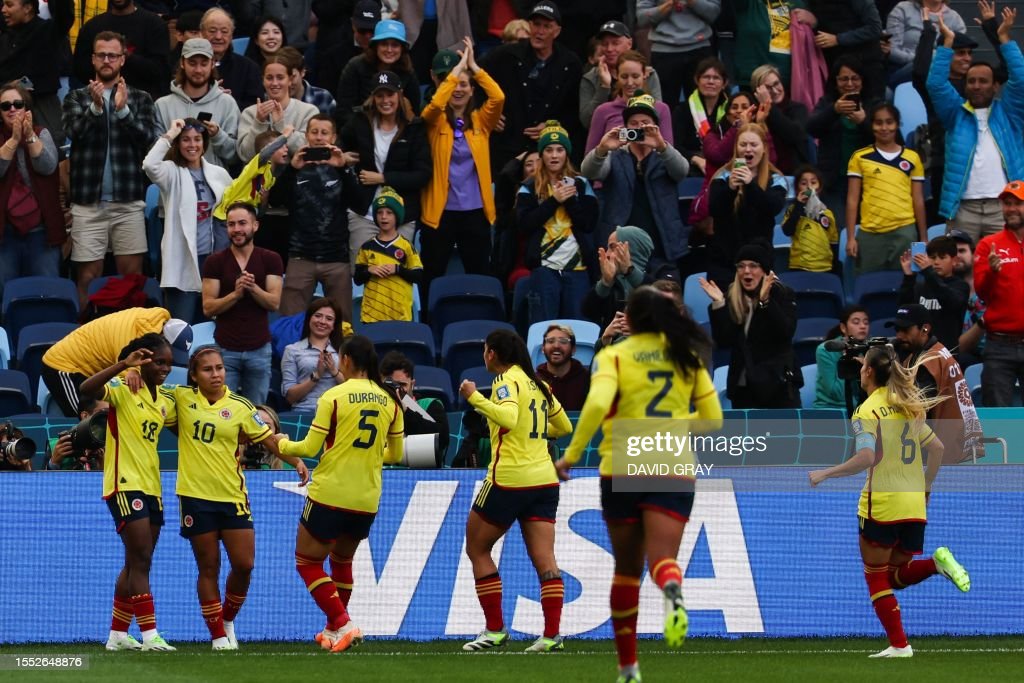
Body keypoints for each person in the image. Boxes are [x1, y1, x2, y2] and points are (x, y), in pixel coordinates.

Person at [554, 286, 723, 683]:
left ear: (633, 318)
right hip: (673, 467)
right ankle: (672, 587)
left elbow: (595, 406)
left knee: (627, 570)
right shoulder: (686, 357)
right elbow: (713, 420)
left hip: (623, 467)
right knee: (662, 560)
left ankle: (629, 668)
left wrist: (572, 456)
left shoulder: (615, 355)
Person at [809, 343, 970, 658]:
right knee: (896, 575)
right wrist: (926, 487)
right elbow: (936, 449)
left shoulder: (867, 410)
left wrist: (827, 473)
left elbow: (867, 456)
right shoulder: (907, 405)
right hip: (914, 505)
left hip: (881, 504)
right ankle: (937, 564)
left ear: (868, 371)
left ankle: (900, 645)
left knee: (876, 577)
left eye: (863, 366)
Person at [166, 344, 306, 650]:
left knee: (244, 565)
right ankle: (217, 636)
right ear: (194, 375)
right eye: (207, 369)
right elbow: (150, 394)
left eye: (219, 368)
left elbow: (267, 438)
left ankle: (227, 620)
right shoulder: (180, 397)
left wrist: (295, 460)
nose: (216, 374)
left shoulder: (241, 406)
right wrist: (134, 373)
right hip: (194, 496)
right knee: (208, 568)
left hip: (233, 496)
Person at [277, 335, 402, 653]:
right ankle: (334, 630)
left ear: (345, 360)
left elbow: (308, 448)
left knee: (307, 563)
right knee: (342, 560)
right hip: (366, 497)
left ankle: (343, 622)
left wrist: (281, 443)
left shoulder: (334, 396)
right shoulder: (390, 399)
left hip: (331, 493)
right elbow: (395, 454)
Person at [458, 328, 572, 653]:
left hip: (508, 480)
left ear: (492, 354)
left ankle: (495, 630)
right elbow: (564, 427)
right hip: (544, 480)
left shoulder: (505, 381)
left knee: (477, 549)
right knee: (545, 559)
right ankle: (551, 636)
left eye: (485, 349)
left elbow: (508, 415)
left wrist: (474, 397)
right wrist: (534, 433)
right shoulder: (540, 385)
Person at [78, 334, 176, 652]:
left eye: (168, 364)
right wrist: (123, 366)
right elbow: (86, 389)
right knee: (141, 558)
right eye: (159, 362)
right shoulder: (122, 389)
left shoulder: (165, 400)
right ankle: (150, 635)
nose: (164, 368)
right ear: (143, 359)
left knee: (136, 561)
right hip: (124, 484)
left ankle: (118, 635)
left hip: (152, 487)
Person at [62, 30, 159, 310]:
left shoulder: (139, 99)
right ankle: (86, 336)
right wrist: (94, 109)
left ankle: (132, 337)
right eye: (101, 55)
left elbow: (148, 141)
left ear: (122, 59)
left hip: (127, 201)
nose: (107, 60)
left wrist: (123, 112)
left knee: (133, 278)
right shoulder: (75, 97)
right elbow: (72, 133)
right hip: (87, 203)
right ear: (93, 60)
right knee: (87, 278)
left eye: (112, 55)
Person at [419, 38, 504, 305]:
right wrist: (455, 74)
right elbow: (435, 105)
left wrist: (473, 67)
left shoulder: (481, 121)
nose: (458, 89)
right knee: (433, 273)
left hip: (475, 212)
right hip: (440, 212)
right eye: (454, 85)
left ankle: (482, 322)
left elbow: (498, 96)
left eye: (463, 85)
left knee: (479, 273)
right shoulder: (433, 122)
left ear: (471, 90)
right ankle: (430, 326)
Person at [927, 9, 1024, 242]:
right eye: (971, 81)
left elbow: (1020, 79)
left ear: (995, 87)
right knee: (959, 270)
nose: (977, 86)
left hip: (1004, 207)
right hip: (963, 209)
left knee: (1007, 269)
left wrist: (1004, 39)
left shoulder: (1010, 113)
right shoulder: (954, 113)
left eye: (983, 81)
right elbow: (935, 84)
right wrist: (947, 44)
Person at [581, 92, 690, 282]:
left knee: (665, 302)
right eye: (633, 123)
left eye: (645, 122)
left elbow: (681, 171)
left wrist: (662, 146)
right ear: (625, 127)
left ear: (655, 126)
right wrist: (602, 149)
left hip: (662, 246)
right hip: (620, 247)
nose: (639, 127)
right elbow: (590, 172)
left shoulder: (665, 154)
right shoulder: (615, 155)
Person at [144, 118, 234, 324]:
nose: (192, 145)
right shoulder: (171, 171)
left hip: (213, 259)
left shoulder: (218, 173)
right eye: (185, 140)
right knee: (182, 327)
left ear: (204, 142)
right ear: (178, 143)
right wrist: (170, 134)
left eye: (197, 139)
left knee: (210, 325)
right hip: (182, 260)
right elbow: (149, 164)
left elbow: (234, 208)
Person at [479, 2, 583, 174]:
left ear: (556, 31)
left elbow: (576, 111)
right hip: (507, 146)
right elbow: (474, 78)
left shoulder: (570, 63)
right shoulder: (506, 55)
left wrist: (553, 125)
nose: (539, 31)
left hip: (548, 150)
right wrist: (484, 111)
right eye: (536, 24)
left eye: (546, 26)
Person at [340, 69, 430, 264]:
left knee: (397, 275)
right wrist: (343, 157)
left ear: (399, 95)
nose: (385, 100)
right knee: (361, 272)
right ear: (373, 97)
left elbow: (422, 174)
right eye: (379, 95)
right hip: (364, 211)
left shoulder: (414, 127)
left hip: (402, 213)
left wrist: (383, 178)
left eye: (390, 94)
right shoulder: (360, 121)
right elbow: (339, 144)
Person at [516, 120, 598, 326]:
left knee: (579, 329)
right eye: (549, 150)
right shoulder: (528, 187)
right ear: (541, 154)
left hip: (578, 270)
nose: (554, 155)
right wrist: (554, 201)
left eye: (560, 150)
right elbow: (524, 225)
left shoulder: (582, 184)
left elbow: (588, 224)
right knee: (543, 329)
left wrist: (570, 201)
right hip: (544, 271)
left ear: (566, 153)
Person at [701, 242, 802, 408]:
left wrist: (765, 302)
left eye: (753, 266)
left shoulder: (782, 294)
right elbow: (724, 341)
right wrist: (719, 304)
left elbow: (785, 332)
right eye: (741, 266)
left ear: (764, 270)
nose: (746, 271)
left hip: (778, 385)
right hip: (744, 387)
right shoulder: (731, 298)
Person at [201, 202, 284, 404]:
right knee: (222, 410)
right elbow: (208, 308)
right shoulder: (215, 261)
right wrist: (235, 294)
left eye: (242, 223)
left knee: (256, 413)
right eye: (231, 224)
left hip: (259, 349)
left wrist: (253, 288)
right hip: (225, 349)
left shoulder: (271, 259)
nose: (236, 229)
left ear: (255, 225)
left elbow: (274, 303)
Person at [41, 308, 192, 418]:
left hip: (91, 370)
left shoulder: (157, 325)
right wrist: (133, 371)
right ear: (163, 337)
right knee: (85, 421)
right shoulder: (131, 333)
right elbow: (124, 367)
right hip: (63, 366)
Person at [278, 115, 358, 318]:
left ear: (333, 137)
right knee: (289, 322)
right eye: (314, 132)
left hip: (336, 258)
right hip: (300, 256)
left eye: (324, 133)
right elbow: (277, 199)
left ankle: (339, 352)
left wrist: (343, 169)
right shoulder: (296, 166)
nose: (319, 138)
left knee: (342, 323)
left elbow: (360, 203)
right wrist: (291, 169)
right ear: (306, 136)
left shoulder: (341, 168)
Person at [888, 303, 983, 463]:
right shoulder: (934, 352)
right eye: (897, 330)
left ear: (925, 328)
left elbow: (917, 408)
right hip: (957, 442)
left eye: (905, 330)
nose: (899, 335)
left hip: (942, 448)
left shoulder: (929, 362)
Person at [846, 103, 927, 274]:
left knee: (905, 286)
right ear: (872, 125)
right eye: (878, 122)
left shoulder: (912, 158)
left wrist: (923, 239)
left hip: (905, 231)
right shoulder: (859, 157)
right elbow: (852, 200)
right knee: (869, 288)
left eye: (889, 122)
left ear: (897, 125)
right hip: (870, 234)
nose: (884, 128)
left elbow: (918, 200)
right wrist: (851, 238)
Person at [0, 80, 64, 294]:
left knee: (45, 292)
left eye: (18, 104)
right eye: (5, 106)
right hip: (4, 234)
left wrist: (27, 136)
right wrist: (13, 140)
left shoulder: (41, 132)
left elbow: (47, 166)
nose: (12, 109)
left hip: (41, 232)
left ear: (26, 108)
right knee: (6, 296)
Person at [706, 123, 788, 288]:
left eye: (754, 144)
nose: (748, 149)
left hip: (759, 263)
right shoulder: (722, 176)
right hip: (725, 265)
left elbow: (772, 208)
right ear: (736, 148)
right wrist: (730, 189)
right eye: (743, 145)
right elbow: (714, 209)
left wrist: (750, 185)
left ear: (764, 148)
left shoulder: (776, 179)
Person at [973, 180, 1024, 407]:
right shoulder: (988, 245)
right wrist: (993, 272)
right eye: (1007, 203)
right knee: (999, 420)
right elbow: (982, 293)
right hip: (999, 345)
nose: (1011, 208)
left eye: (1018, 203)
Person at [807, 56, 874, 227]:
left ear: (863, 80)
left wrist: (864, 122)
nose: (850, 84)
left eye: (855, 78)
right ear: (835, 81)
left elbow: (892, 140)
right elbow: (811, 128)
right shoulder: (827, 103)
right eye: (844, 79)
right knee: (838, 229)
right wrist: (834, 110)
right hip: (833, 182)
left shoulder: (874, 104)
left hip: (868, 182)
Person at [154, 37, 241, 169]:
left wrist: (218, 135)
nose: (198, 70)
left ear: (212, 64)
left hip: (215, 186)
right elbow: (155, 155)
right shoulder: (162, 105)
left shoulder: (227, 103)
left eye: (204, 63)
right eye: (192, 63)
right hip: (174, 185)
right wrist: (173, 138)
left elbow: (235, 156)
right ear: (182, 63)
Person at [0, 0, 72, 143]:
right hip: (8, 107)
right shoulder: (4, 38)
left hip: (43, 107)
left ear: (27, 8)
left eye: (9, 5)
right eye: (2, 5)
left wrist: (23, 87)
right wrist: (10, 88)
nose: (3, 10)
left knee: (51, 150)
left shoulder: (49, 31)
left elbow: (65, 15)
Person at [353, 187, 424, 323]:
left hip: (400, 315)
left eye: (389, 212)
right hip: (372, 316)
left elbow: (418, 276)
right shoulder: (367, 246)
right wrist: (369, 270)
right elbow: (357, 278)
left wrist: (398, 269)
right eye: (379, 212)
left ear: (397, 216)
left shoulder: (406, 246)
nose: (384, 217)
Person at [73, 0, 170, 98]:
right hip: (101, 100)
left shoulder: (154, 24)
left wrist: (129, 56)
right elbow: (81, 69)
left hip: (143, 101)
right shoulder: (92, 26)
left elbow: (160, 70)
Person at [579, 20, 664, 130]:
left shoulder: (648, 74)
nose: (609, 49)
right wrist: (604, 87)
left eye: (615, 43)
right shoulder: (590, 78)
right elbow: (587, 123)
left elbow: (659, 116)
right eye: (605, 44)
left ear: (629, 44)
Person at [636, 0, 721, 111]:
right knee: (663, 108)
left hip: (699, 47)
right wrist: (668, 5)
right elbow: (642, 18)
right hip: (664, 51)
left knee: (704, 107)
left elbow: (714, 13)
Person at [336, 18, 421, 129]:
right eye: (384, 44)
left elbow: (414, 112)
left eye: (395, 45)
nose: (389, 50)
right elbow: (344, 112)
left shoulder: (407, 72)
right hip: (359, 131)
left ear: (402, 49)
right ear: (375, 46)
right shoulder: (355, 67)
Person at [585, 51, 673, 154]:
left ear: (645, 74)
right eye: (624, 77)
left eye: (635, 76)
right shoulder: (603, 111)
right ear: (616, 76)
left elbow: (670, 155)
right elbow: (589, 158)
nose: (630, 83)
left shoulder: (661, 109)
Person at [237, 56, 317, 162]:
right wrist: (259, 123)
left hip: (297, 177)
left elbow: (308, 152)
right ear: (263, 81)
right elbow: (246, 156)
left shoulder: (308, 111)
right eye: (269, 78)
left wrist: (281, 126)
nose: (274, 83)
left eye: (280, 77)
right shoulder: (250, 113)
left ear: (290, 80)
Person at [898, 235, 970, 353]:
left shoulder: (960, 286)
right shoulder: (920, 287)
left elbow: (952, 302)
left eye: (942, 257)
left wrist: (928, 272)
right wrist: (908, 277)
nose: (936, 262)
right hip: (919, 353)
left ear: (954, 260)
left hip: (947, 353)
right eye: (932, 257)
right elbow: (903, 311)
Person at [380, 350, 449, 466]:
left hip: (421, 475)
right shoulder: (376, 409)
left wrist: (406, 411)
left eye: (402, 385)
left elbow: (441, 441)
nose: (398, 390)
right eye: (392, 386)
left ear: (412, 384)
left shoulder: (430, 405)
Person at [582, 226, 655, 334]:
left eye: (612, 247)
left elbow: (662, 306)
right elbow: (588, 312)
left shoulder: (658, 274)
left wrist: (630, 271)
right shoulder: (612, 280)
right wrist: (605, 283)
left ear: (632, 249)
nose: (607, 254)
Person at [280, 297, 345, 412]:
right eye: (318, 316)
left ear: (334, 325)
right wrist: (316, 376)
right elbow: (290, 397)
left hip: (337, 412)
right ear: (309, 318)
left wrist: (334, 371)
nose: (322, 321)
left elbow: (353, 388)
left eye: (329, 319)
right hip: (304, 412)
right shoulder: (292, 350)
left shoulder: (344, 351)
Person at [885, 0, 966, 88]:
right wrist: (921, 60)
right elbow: (892, 50)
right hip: (903, 70)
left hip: (938, 73)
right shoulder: (902, 9)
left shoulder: (955, 18)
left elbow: (958, 54)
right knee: (933, 57)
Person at [673, 57, 729, 179]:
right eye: (706, 77)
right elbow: (675, 145)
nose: (710, 81)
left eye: (716, 78)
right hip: (690, 166)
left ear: (724, 84)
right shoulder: (682, 110)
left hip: (725, 165)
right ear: (697, 80)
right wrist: (695, 159)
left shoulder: (731, 110)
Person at [749, 63, 811, 175]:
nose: (775, 90)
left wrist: (770, 106)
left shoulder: (798, 109)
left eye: (776, 83)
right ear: (758, 93)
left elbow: (795, 135)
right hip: (763, 174)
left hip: (794, 175)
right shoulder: (755, 114)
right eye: (768, 88)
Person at [201, 7, 264, 111]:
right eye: (212, 31)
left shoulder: (249, 68)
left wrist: (228, 101)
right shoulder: (190, 66)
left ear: (231, 35)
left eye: (224, 31)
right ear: (202, 33)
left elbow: (256, 107)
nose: (218, 36)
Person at [313, 0, 379, 93]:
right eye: (362, 31)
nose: (367, 36)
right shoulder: (333, 57)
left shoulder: (386, 54)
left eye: (372, 31)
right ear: (353, 25)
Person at [783, 164, 839, 273]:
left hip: (825, 267)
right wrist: (799, 205)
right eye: (804, 183)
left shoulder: (828, 213)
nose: (809, 187)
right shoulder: (792, 210)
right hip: (798, 266)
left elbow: (833, 243)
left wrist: (835, 269)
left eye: (813, 182)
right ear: (797, 188)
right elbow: (787, 230)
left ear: (820, 187)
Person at [814, 305, 870, 409]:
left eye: (866, 322)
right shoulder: (825, 350)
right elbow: (836, 393)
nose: (863, 326)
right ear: (843, 328)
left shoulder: (868, 350)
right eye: (856, 322)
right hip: (831, 410)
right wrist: (847, 359)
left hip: (861, 409)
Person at [535, 323, 591, 411]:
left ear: (573, 349)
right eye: (550, 341)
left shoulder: (587, 379)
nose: (556, 346)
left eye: (563, 341)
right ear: (543, 348)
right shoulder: (534, 381)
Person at [45, 396, 109, 471]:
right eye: (104, 412)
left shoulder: (115, 446)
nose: (109, 417)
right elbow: (40, 481)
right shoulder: (57, 446)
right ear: (85, 416)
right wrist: (54, 463)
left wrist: (102, 466)